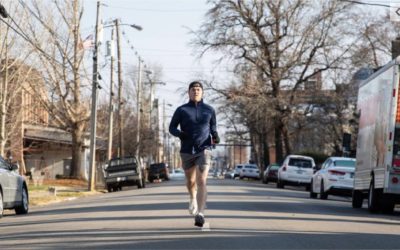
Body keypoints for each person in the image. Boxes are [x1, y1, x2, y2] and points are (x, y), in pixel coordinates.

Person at [169, 81, 220, 227]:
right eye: (193, 89)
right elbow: (171, 127)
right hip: (186, 149)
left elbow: (213, 128)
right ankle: (192, 198)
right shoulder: (181, 110)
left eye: (198, 89)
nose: (196, 91)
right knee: (191, 182)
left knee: (202, 180)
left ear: (202, 92)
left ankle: (201, 214)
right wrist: (180, 134)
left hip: (203, 149)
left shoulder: (209, 110)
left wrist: (215, 136)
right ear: (189, 93)